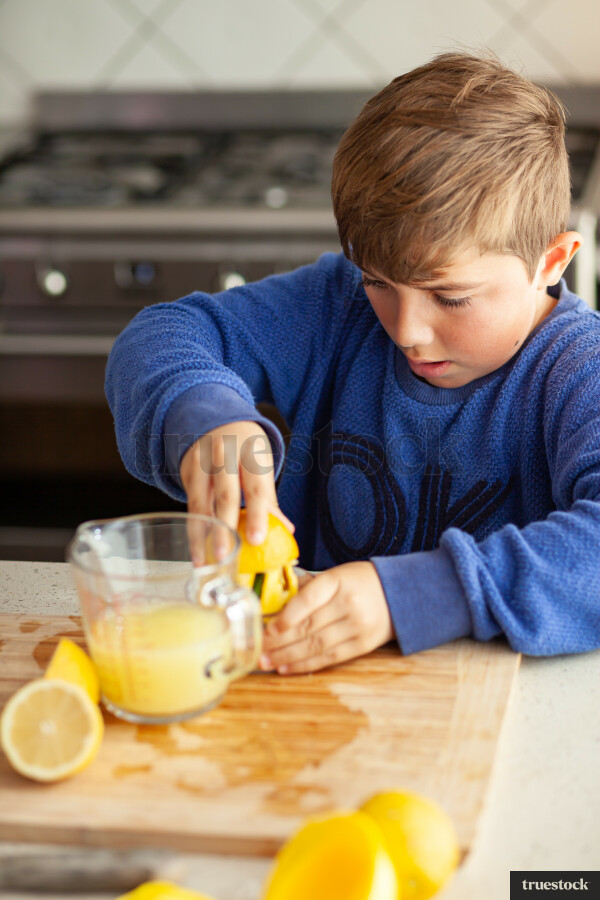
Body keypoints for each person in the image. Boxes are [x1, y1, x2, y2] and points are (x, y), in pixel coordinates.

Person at [105, 51, 600, 675]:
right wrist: (204, 415)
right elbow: (165, 335)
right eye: (379, 282)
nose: (406, 331)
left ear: (552, 262)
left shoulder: (581, 370)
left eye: (450, 296)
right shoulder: (335, 307)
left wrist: (413, 597)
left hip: (489, 712)